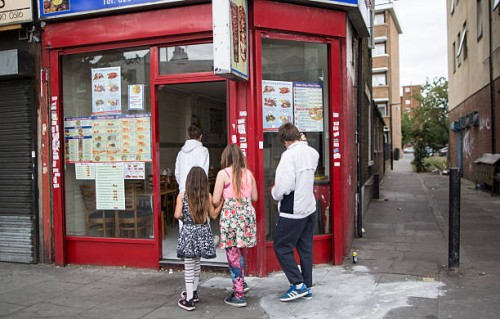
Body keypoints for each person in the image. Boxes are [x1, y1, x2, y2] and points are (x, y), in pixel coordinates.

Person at [271, 123, 319, 302]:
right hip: (309, 207)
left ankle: (297, 285)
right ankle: (307, 286)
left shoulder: (289, 155)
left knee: (282, 247)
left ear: (284, 141)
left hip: (292, 210)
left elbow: (284, 186)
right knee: (305, 247)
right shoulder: (313, 153)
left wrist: (274, 194)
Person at [211, 144, 258, 307]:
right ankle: (241, 284)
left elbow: (216, 200)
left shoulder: (222, 174)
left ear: (226, 158)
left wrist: (225, 198)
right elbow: (255, 197)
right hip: (246, 215)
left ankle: (238, 294)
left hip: (231, 216)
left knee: (232, 253)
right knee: (238, 251)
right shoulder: (249, 174)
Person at [174, 166, 217, 311]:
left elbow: (177, 215)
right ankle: (194, 292)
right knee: (197, 263)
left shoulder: (182, 195)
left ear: (189, 181)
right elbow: (213, 215)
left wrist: (184, 216)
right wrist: (222, 202)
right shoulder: (208, 196)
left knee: (189, 266)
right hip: (203, 231)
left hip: (188, 232)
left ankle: (189, 299)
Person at [175, 124, 209, 193]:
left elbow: (177, 173)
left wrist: (182, 185)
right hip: (198, 192)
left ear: (189, 136)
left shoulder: (181, 153)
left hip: (183, 190)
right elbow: (204, 173)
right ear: (201, 136)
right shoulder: (203, 151)